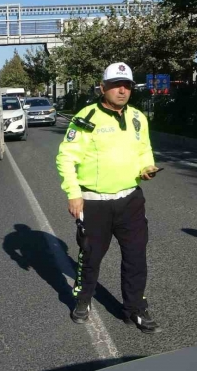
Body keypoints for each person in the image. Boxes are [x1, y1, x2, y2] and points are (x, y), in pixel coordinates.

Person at [56, 62, 161, 333]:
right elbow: (66, 157)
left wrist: (146, 167)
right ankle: (83, 300)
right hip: (94, 203)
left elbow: (143, 150)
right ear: (103, 88)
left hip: (130, 200)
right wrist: (73, 193)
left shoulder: (138, 117)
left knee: (136, 257)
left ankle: (134, 309)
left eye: (127, 86)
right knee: (90, 256)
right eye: (116, 85)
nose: (122, 91)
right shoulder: (86, 117)